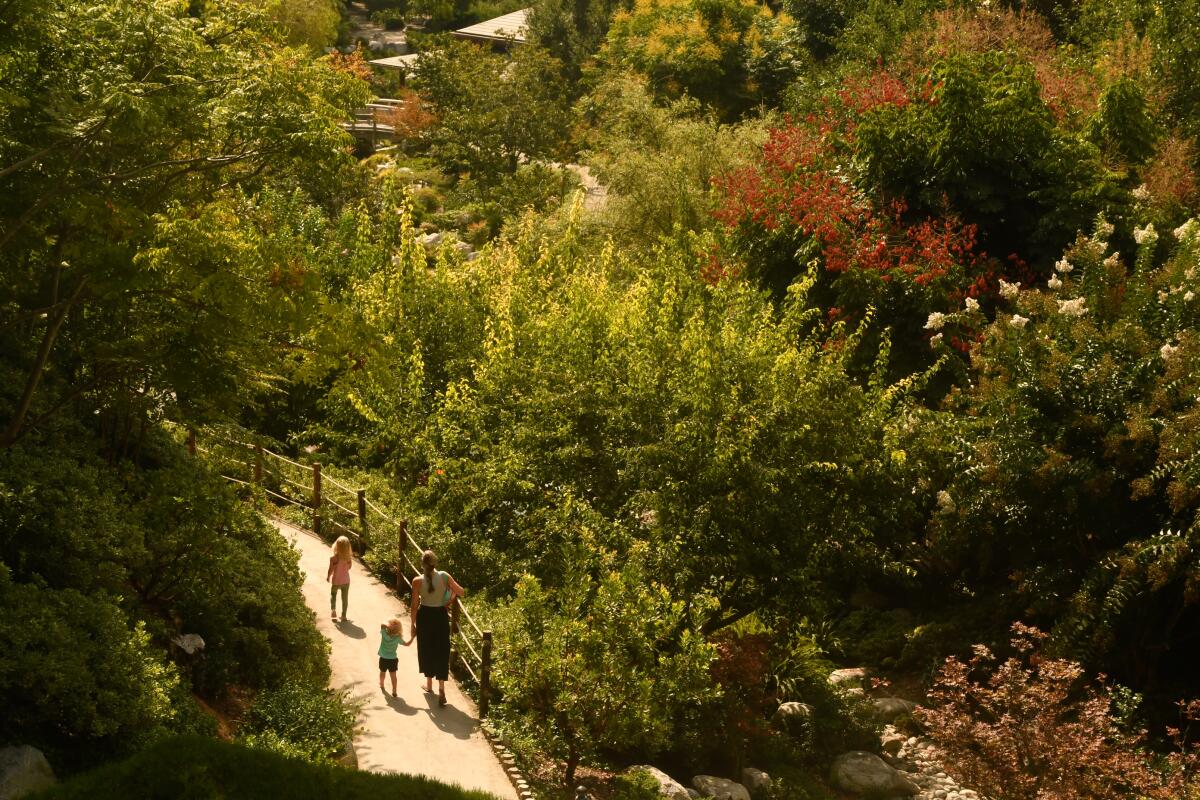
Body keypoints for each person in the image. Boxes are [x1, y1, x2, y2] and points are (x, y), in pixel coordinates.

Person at [410, 549, 464, 707]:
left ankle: (429, 685)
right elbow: (461, 591)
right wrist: (450, 596)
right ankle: (441, 688)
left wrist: (412, 624)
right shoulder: (444, 576)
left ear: (422, 564)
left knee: (426, 649)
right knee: (441, 650)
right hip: (440, 615)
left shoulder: (417, 581)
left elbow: (414, 606)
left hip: (425, 616)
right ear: (435, 563)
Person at [378, 617, 411, 696]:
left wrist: (388, 625)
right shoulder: (398, 638)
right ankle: (394, 689)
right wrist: (412, 638)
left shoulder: (384, 633)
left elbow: (382, 624)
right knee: (393, 675)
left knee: (382, 672)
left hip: (383, 658)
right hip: (393, 659)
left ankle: (382, 684)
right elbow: (407, 644)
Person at [326, 535, 353, 621]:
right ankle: (344, 615)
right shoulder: (348, 558)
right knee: (345, 599)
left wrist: (328, 576)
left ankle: (333, 611)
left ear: (336, 546)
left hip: (336, 581)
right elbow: (349, 568)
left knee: (333, 595)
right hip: (346, 581)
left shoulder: (334, 558)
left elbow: (331, 569)